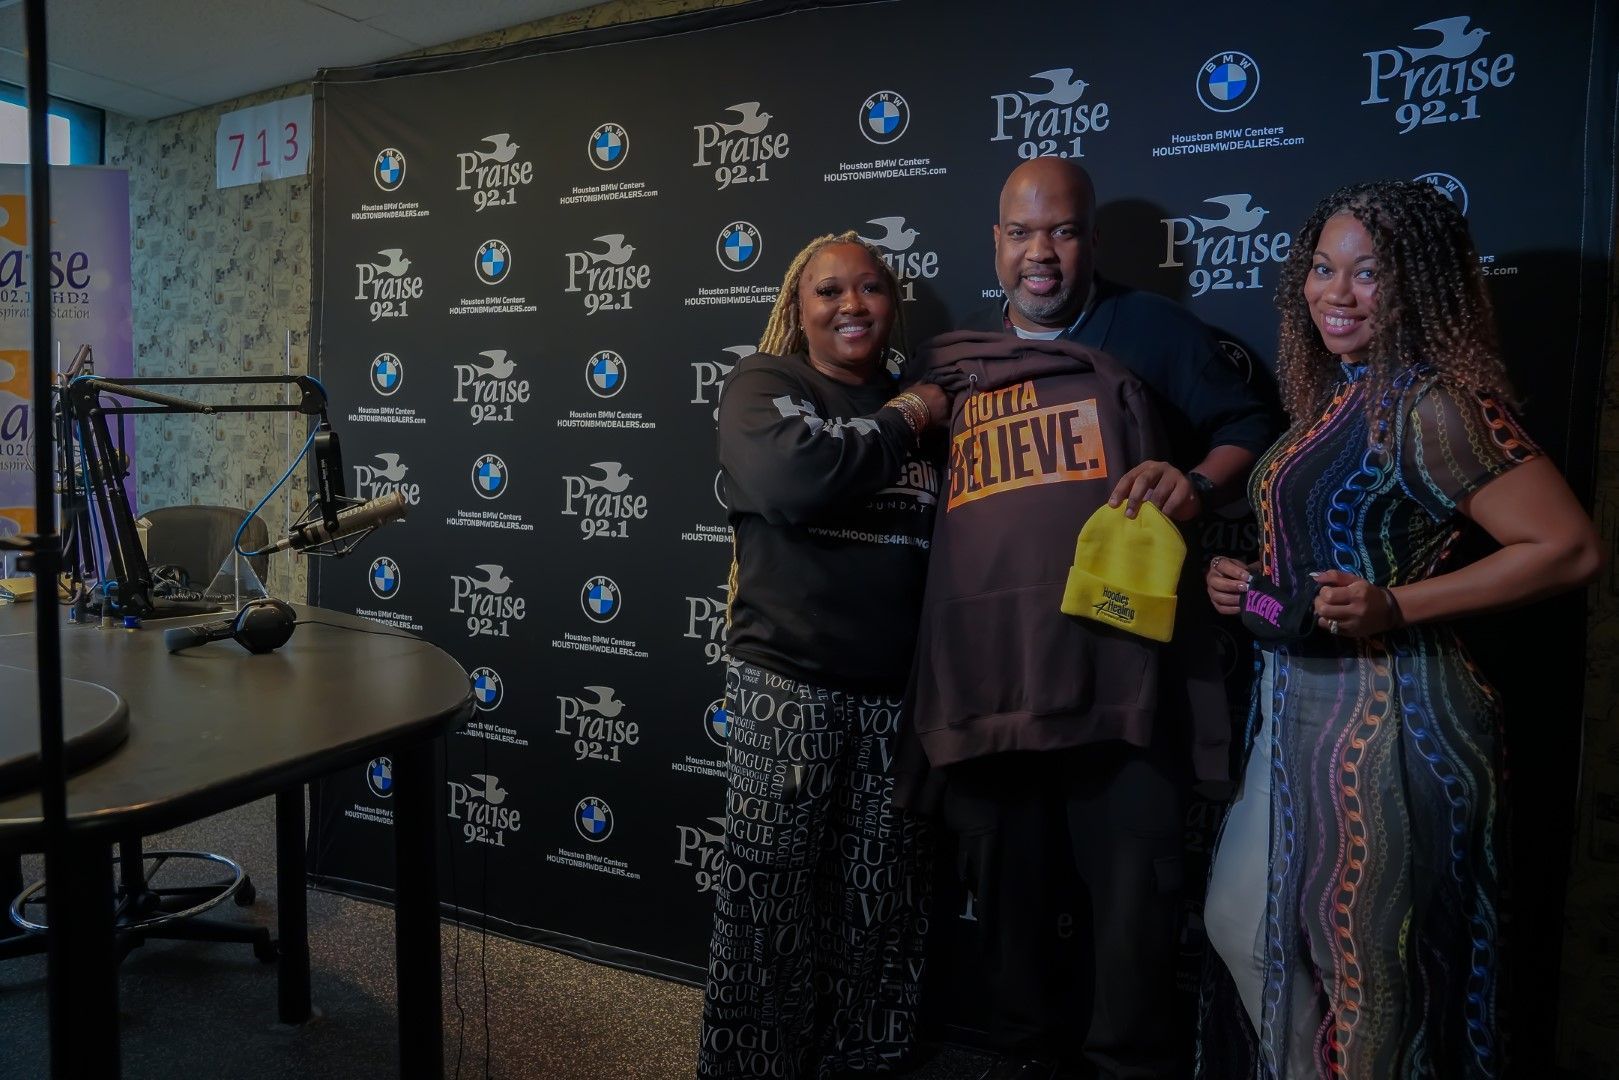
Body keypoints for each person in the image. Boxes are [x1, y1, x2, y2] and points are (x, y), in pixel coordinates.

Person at [1198, 179, 1602, 1079]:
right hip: (1298, 704)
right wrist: (1250, 586)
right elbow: (1329, 549)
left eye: (1367, 274)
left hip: (1388, 719)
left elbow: (1567, 547)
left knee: (1364, 973)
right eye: (1320, 269)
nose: (1334, 294)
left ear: (1418, 287)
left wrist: (1397, 604)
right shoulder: (1341, 397)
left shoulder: (1433, 404)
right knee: (1244, 923)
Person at [910, 156, 1274, 1080]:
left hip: (1121, 682)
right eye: (1023, 232)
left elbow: (1251, 428)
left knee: (1131, 929)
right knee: (1009, 917)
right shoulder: (954, 364)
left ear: (1090, 241)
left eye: (1062, 231)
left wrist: (1192, 486)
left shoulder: (1148, 328)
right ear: (994, 242)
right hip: (996, 686)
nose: (1042, 254)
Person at [697, 231, 951, 1079]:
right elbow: (794, 483)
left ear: (893, 303)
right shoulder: (766, 385)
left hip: (899, 697)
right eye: (828, 291)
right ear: (795, 310)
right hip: (786, 687)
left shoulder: (931, 405)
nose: (851, 305)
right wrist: (906, 417)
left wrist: (909, 411)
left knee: (883, 911)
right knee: (766, 905)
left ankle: (863, 1063)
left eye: (870, 289)